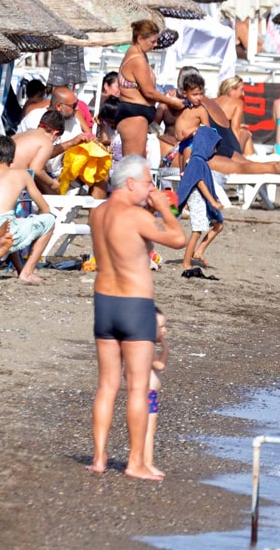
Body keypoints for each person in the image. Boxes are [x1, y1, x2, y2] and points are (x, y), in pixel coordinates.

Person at [89, 155, 187, 481]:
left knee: (106, 386)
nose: (150, 189)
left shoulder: (97, 213)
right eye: (147, 183)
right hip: (135, 304)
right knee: (138, 387)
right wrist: (163, 206)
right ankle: (135, 463)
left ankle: (100, 457)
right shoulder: (135, 216)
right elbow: (178, 239)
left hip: (104, 302)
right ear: (130, 183)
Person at [174, 71, 280, 181]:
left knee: (240, 168)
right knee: (246, 163)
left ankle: (277, 168)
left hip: (205, 151)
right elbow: (228, 130)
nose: (243, 94)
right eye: (241, 90)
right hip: (224, 143)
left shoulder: (190, 108)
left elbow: (180, 136)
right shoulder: (209, 104)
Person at [0, 136, 56, 283]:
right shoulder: (22, 175)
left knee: (11, 221)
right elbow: (45, 208)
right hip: (4, 234)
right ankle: (27, 272)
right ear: (12, 158)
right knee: (50, 220)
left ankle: (16, 267)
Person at [117, 20, 184, 161]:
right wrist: (171, 101)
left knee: (138, 164)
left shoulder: (140, 54)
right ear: (140, 39)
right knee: (132, 165)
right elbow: (148, 92)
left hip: (137, 114)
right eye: (152, 41)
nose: (155, 45)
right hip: (133, 115)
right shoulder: (137, 59)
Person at [175, 126, 224, 271]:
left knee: (218, 225)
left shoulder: (200, 161)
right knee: (197, 231)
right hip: (198, 199)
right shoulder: (196, 160)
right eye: (213, 147)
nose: (214, 151)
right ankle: (186, 263)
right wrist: (213, 202)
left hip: (200, 199)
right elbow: (199, 182)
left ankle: (199, 251)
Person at [11, 110, 64, 193]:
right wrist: (51, 183)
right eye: (58, 138)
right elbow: (36, 169)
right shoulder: (46, 142)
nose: (55, 141)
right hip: (11, 180)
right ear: (55, 133)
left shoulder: (21, 135)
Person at [143, 309, 169, 479]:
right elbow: (159, 366)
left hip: (148, 393)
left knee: (146, 430)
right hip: (148, 394)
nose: (165, 330)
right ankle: (147, 464)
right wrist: (166, 348)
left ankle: (144, 462)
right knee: (148, 431)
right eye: (161, 327)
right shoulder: (148, 347)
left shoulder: (144, 346)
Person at [214, 76, 255, 155]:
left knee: (243, 131)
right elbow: (235, 129)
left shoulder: (211, 101)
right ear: (231, 89)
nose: (243, 94)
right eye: (241, 90)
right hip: (225, 145)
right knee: (246, 133)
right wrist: (236, 152)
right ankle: (248, 161)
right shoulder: (237, 103)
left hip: (211, 143)